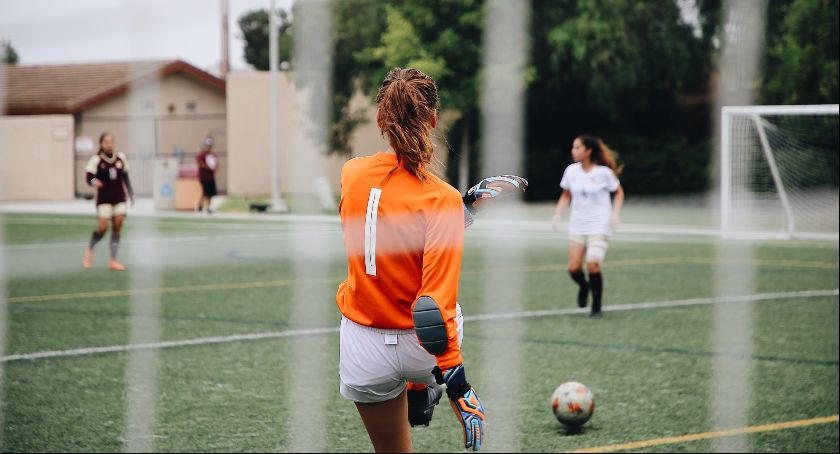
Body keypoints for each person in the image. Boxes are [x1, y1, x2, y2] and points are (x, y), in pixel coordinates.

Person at [336, 67, 485, 453]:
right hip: (425, 352)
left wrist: (458, 211)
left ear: (380, 119)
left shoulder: (352, 174)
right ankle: (421, 388)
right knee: (442, 303)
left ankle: (418, 395)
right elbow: (434, 306)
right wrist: (459, 385)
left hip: (364, 350)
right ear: (433, 119)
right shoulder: (442, 198)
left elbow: (388, 226)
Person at [551, 135, 624, 318]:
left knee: (593, 263)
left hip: (600, 224)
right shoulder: (571, 171)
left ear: (588, 151)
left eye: (577, 147)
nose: (573, 150)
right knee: (574, 269)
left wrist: (615, 214)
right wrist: (557, 214)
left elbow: (618, 192)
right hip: (577, 224)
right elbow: (566, 194)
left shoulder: (603, 173)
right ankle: (584, 286)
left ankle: (596, 307)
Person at [82, 132, 134, 271]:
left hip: (119, 198)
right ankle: (89, 250)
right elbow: (88, 177)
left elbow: (125, 176)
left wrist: (131, 193)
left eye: (111, 141)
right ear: (101, 144)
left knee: (118, 224)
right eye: (106, 142)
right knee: (103, 228)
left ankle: (113, 260)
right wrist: (95, 182)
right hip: (104, 199)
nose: (109, 144)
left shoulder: (120, 157)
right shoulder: (96, 159)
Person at [195, 137, 218, 214]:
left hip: (211, 177)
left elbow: (216, 164)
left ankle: (208, 207)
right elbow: (200, 164)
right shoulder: (202, 154)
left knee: (210, 193)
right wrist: (208, 167)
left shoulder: (213, 155)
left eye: (210, 146)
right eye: (208, 146)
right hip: (203, 177)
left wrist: (215, 169)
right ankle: (200, 206)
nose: (209, 147)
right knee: (205, 192)